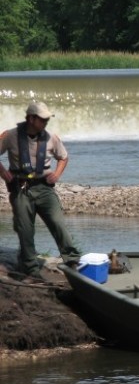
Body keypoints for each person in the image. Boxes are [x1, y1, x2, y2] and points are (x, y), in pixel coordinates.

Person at [0, 102, 82, 279]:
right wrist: (4, 173)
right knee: (25, 229)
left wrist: (57, 174)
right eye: (42, 119)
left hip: (44, 188)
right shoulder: (10, 136)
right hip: (21, 188)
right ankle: (31, 270)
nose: (46, 122)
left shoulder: (51, 138)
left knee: (57, 222)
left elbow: (63, 157)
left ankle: (72, 260)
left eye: (47, 119)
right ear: (31, 118)